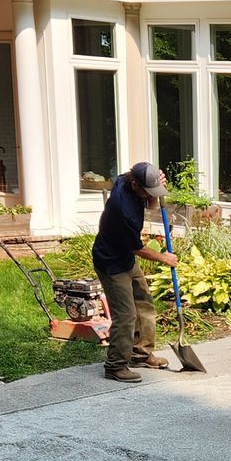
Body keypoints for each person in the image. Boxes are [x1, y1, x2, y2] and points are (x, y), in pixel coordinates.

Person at [91, 162, 177, 383]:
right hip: (111, 262)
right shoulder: (123, 210)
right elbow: (137, 248)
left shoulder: (126, 179)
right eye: (147, 191)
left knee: (144, 302)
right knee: (126, 315)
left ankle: (140, 353)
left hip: (125, 257)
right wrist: (164, 258)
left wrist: (156, 185)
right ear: (134, 183)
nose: (151, 196)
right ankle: (115, 365)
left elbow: (151, 205)